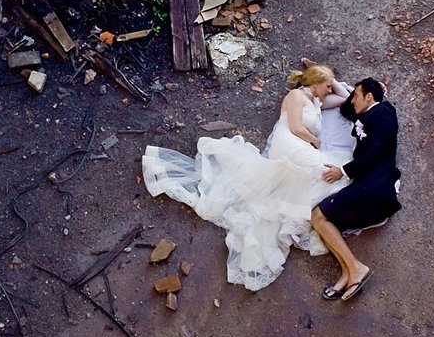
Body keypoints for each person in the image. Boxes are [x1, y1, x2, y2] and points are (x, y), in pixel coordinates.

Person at [142, 63, 356, 291]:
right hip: (289, 141)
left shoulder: (316, 100)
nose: (329, 90)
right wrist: (316, 141)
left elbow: (347, 99)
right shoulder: (296, 95)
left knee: (324, 172)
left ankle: (303, 203)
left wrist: (331, 81)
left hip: (303, 144)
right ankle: (308, 206)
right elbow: (294, 127)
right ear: (314, 84)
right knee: (324, 171)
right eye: (326, 86)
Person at [310, 77, 402, 301]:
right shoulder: (370, 111)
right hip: (366, 185)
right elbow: (347, 107)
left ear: (369, 97)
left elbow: (374, 151)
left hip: (374, 189)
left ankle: (356, 268)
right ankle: (347, 274)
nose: (353, 101)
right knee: (322, 220)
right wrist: (329, 79)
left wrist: (343, 170)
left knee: (319, 216)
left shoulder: (384, 115)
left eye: (357, 96)